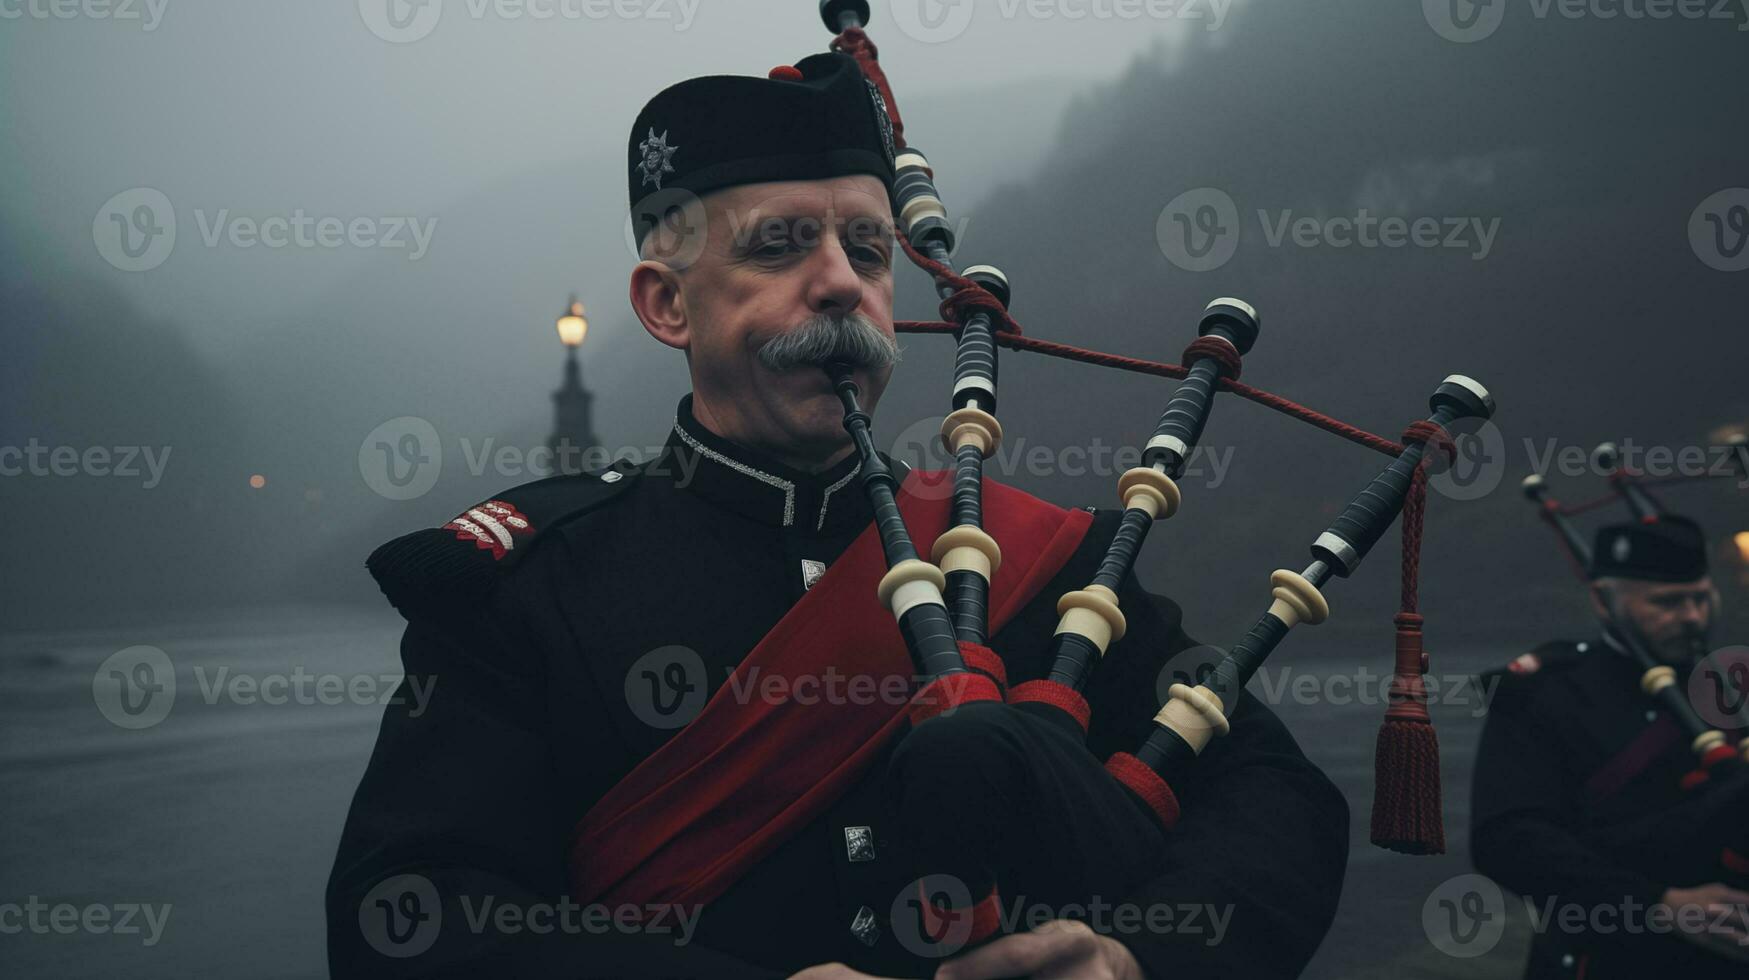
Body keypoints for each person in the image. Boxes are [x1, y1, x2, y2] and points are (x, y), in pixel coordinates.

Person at [326, 51, 1348, 979]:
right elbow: (408, 912)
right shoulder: (529, 585)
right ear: (667, 304)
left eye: (868, 248)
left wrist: (1133, 960)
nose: (841, 285)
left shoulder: (1047, 560)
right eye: (780, 246)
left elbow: (1276, 794)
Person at [1472, 515, 1749, 978]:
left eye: (1701, 598)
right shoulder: (1543, 692)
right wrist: (1655, 904)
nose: (1692, 617)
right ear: (1604, 601)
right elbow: (1509, 840)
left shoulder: (1728, 686)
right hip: (1609, 957)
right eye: (1667, 602)